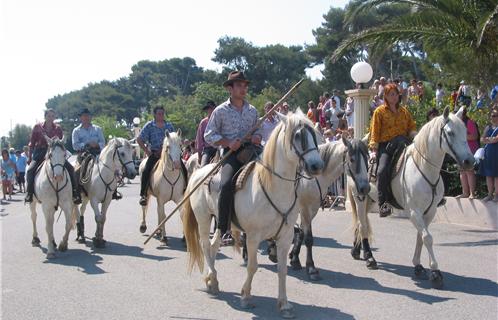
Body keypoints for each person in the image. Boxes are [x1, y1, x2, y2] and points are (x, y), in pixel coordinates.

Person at [204, 70, 262, 246]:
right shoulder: (220, 111)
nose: (243, 89)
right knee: (226, 184)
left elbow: (258, 129)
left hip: (252, 151)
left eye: (245, 86)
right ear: (230, 88)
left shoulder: (252, 111)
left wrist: (257, 137)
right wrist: (228, 142)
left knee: (275, 174)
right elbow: (209, 135)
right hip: (232, 154)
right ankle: (223, 229)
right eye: (239, 85)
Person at [369, 84, 417, 217]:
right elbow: (375, 131)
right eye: (391, 94)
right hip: (387, 146)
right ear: (385, 96)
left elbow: (411, 127)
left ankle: (434, 195)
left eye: (395, 94)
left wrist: (415, 135)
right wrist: (374, 149)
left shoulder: (404, 112)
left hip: (404, 144)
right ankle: (383, 204)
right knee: (382, 170)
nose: (394, 96)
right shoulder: (379, 112)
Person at [25, 109, 80, 204]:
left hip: (55, 153)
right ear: (45, 116)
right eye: (49, 116)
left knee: (71, 169)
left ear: (54, 117)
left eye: (52, 116)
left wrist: (63, 153)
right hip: (40, 152)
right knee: (30, 170)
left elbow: (61, 143)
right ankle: (29, 193)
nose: (51, 118)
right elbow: (32, 144)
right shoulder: (37, 127)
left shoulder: (58, 128)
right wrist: (30, 157)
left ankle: (75, 193)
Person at [137, 106, 176, 205]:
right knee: (146, 171)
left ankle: (184, 189)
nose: (161, 115)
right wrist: (147, 151)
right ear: (154, 114)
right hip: (155, 154)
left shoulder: (169, 125)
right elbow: (139, 139)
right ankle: (144, 195)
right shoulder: (149, 125)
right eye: (159, 114)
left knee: (182, 166)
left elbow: (174, 139)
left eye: (162, 113)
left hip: (168, 154)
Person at [72, 108, 113, 200]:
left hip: (98, 153)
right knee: (76, 171)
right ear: (80, 118)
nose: (86, 118)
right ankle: (77, 192)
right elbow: (75, 145)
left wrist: (97, 144)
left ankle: (113, 191)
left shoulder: (97, 129)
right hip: (83, 154)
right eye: (84, 116)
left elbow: (103, 142)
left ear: (90, 117)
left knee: (110, 166)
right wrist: (86, 144)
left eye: (88, 116)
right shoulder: (76, 131)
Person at [456, 107, 479, 199]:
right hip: (461, 151)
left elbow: (474, 136)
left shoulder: (469, 122)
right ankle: (465, 192)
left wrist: (462, 136)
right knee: (462, 172)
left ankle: (472, 193)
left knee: (469, 171)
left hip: (470, 150)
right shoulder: (458, 124)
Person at [478, 108, 498, 202]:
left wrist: (488, 139)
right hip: (488, 154)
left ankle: (496, 196)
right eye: (491, 115)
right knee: (488, 175)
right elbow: (482, 139)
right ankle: (489, 194)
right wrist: (489, 139)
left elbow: (496, 139)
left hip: (496, 154)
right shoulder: (488, 127)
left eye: (494, 115)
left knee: (496, 175)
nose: (492, 117)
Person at [195, 100, 217, 167]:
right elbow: (199, 139)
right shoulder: (203, 122)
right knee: (203, 167)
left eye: (211, 108)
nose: (210, 110)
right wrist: (199, 154)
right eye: (208, 109)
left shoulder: (220, 120)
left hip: (219, 147)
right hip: (208, 149)